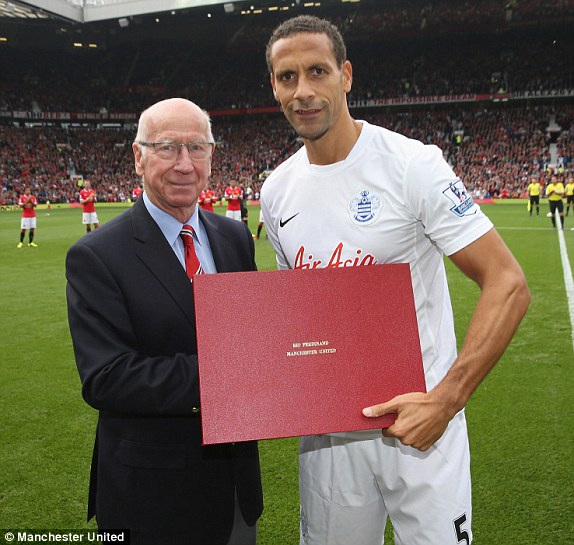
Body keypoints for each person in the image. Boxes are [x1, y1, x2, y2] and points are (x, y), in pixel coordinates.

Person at [261, 15, 530, 545]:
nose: (304, 91)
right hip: (330, 439)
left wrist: (447, 400)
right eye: (286, 77)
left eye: (317, 71)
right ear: (274, 86)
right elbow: (300, 315)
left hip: (421, 427)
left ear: (347, 75)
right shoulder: (277, 191)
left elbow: (508, 283)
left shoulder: (412, 165)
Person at [66, 98, 263, 545]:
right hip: (151, 498)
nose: (184, 164)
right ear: (138, 157)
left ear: (212, 156)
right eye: (168, 147)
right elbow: (107, 377)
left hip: (235, 488)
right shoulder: (97, 256)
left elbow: (252, 335)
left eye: (197, 148)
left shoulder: (233, 238)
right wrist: (229, 373)